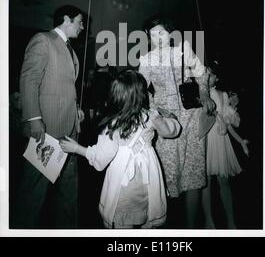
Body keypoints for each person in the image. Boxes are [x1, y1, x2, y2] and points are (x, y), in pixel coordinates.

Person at [59, 69, 181, 229]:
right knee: (147, 222)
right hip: (149, 182)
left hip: (123, 189)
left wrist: (76, 148)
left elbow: (100, 160)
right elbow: (172, 131)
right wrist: (169, 118)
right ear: (142, 95)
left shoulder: (113, 125)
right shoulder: (150, 117)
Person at [138, 16, 216, 228]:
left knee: (193, 174)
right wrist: (155, 111)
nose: (157, 38)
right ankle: (163, 225)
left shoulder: (183, 50)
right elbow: (141, 90)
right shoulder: (146, 59)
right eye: (153, 34)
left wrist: (206, 94)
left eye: (161, 32)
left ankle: (190, 229)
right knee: (166, 174)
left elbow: (201, 75)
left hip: (191, 115)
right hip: (166, 122)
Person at [12, 5, 85, 229]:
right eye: (80, 21)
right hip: (48, 129)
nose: (83, 27)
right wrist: (33, 119)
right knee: (34, 192)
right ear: (66, 19)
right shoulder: (43, 40)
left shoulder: (71, 49)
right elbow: (29, 79)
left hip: (70, 130)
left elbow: (62, 87)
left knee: (68, 193)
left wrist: (76, 109)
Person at [201, 62, 250, 229]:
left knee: (224, 180)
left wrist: (240, 141)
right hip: (205, 140)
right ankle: (209, 221)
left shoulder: (222, 95)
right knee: (205, 182)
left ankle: (231, 221)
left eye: (211, 74)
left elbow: (227, 123)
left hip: (221, 141)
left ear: (217, 77)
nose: (207, 78)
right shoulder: (200, 95)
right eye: (204, 74)